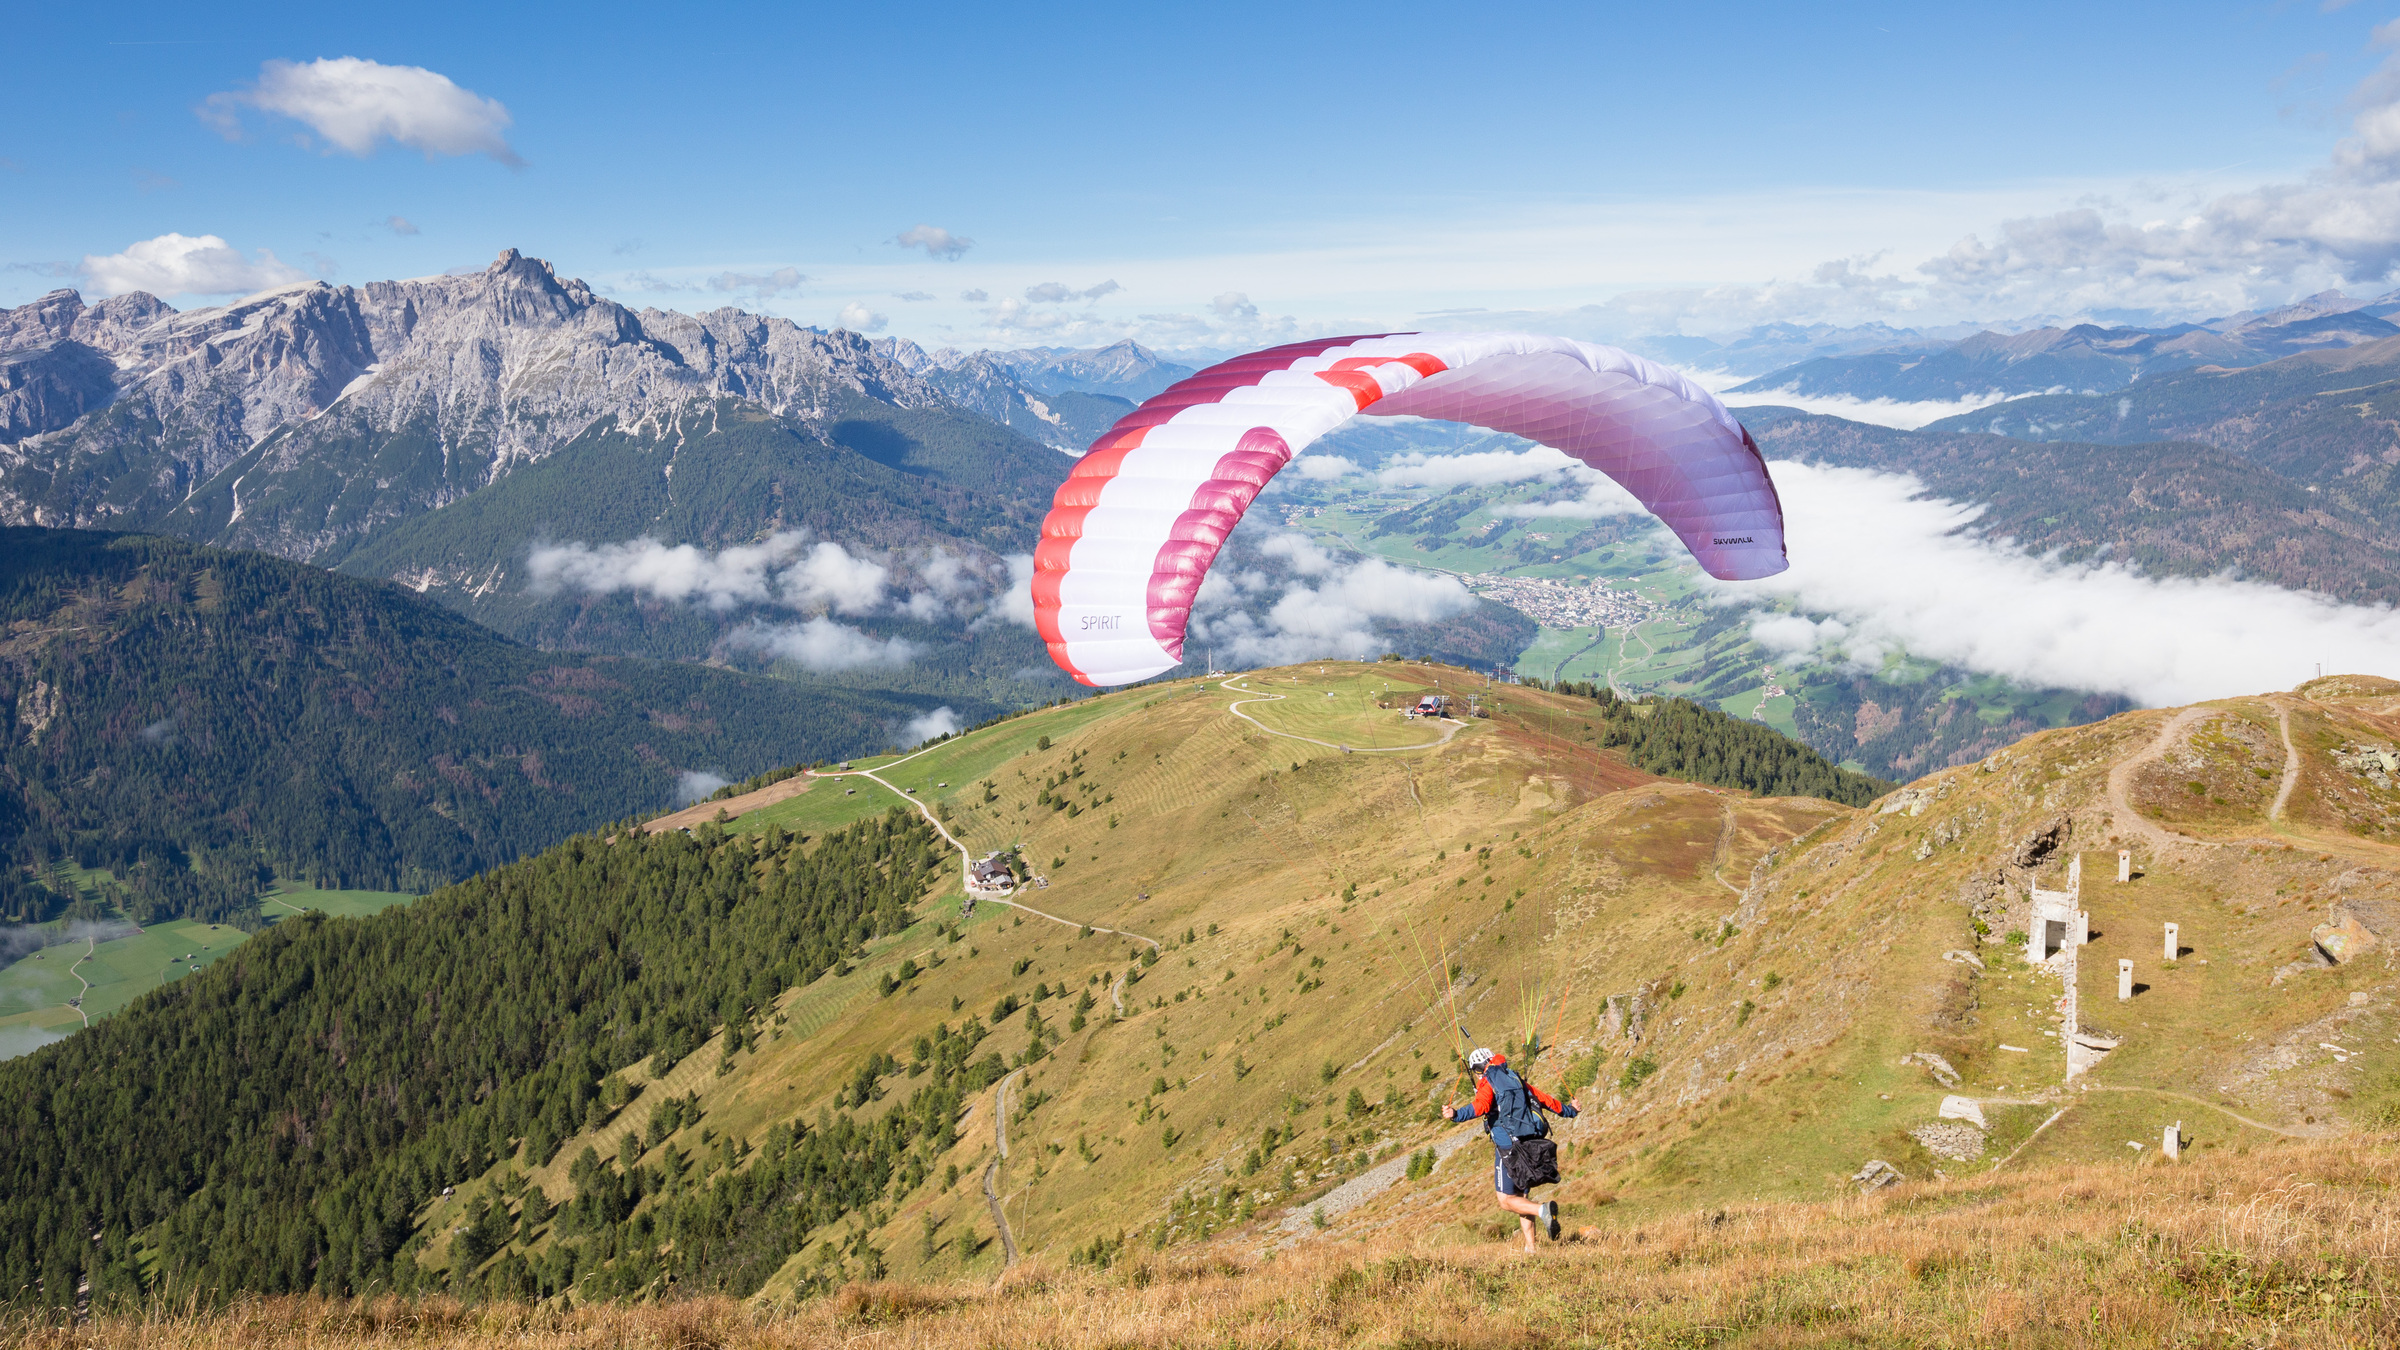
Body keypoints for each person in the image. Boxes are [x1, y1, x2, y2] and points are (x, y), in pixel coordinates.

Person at [1445, 1047, 1577, 1251]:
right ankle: (1531, 1249)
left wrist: (1455, 1114)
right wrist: (1571, 1110)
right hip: (1529, 1143)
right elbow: (1545, 1100)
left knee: (1506, 1201)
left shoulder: (1489, 1082)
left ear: (1478, 1069)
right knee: (1521, 1198)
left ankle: (1542, 1210)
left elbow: (1479, 1106)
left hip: (1508, 1147)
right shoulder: (1514, 1078)